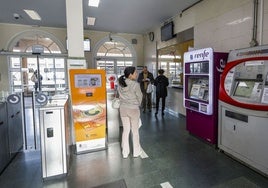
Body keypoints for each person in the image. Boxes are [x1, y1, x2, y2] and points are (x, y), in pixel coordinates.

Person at [118, 66, 143, 158]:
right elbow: (140, 97)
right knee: (135, 131)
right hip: (133, 109)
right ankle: (136, 152)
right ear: (130, 74)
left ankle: (125, 153)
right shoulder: (135, 84)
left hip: (123, 109)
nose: (137, 74)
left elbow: (118, 95)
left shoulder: (120, 83)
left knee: (126, 131)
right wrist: (138, 104)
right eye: (135, 73)